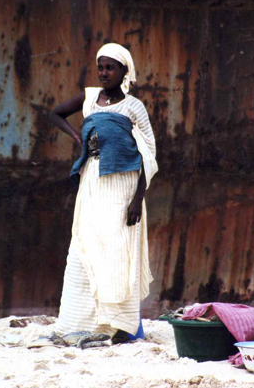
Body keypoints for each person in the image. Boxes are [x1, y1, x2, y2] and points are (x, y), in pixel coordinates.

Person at [48, 43, 157, 341]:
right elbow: (55, 114)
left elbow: (149, 155)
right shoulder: (89, 98)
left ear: (124, 71)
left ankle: (122, 327)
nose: (104, 72)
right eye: (101, 67)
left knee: (118, 252)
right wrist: (78, 138)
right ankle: (83, 323)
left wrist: (138, 198)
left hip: (123, 187)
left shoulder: (134, 107)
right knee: (86, 248)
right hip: (93, 183)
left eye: (110, 67)